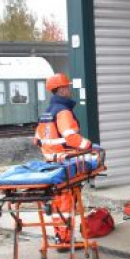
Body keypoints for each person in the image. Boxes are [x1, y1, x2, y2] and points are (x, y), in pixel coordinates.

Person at [34, 73, 93, 244]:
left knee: (57, 202)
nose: (69, 90)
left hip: (50, 164)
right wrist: (89, 145)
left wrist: (51, 151)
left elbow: (37, 140)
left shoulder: (46, 113)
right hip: (65, 164)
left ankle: (60, 235)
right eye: (67, 87)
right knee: (66, 202)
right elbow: (71, 138)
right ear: (61, 90)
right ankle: (66, 238)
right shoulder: (63, 112)